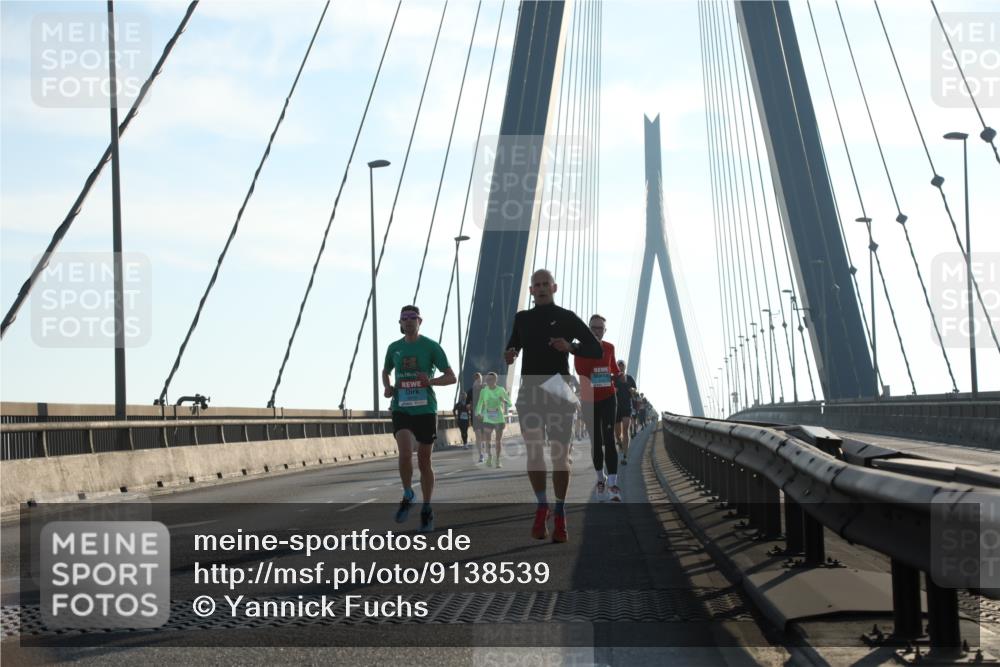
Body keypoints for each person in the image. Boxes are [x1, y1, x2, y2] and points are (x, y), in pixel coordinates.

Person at [504, 269, 601, 542]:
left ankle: (559, 510)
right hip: (530, 390)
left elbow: (595, 349)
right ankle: (541, 504)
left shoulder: (567, 317)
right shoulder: (521, 319)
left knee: (560, 457)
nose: (542, 288)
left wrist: (570, 347)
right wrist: (509, 355)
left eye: (546, 283)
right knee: (534, 451)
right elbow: (512, 348)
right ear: (532, 290)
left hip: (559, 389)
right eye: (537, 285)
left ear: (554, 287)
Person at [382, 305, 456, 533]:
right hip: (401, 408)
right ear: (400, 323)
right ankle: (407, 493)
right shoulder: (394, 348)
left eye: (413, 318)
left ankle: (427, 507)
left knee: (424, 461)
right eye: (404, 318)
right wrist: (387, 387)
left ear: (420, 321)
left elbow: (451, 377)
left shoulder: (432, 347)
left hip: (425, 409)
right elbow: (385, 371)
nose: (409, 321)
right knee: (405, 453)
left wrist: (430, 382)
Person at [574, 315, 621, 502]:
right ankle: (600, 479)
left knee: (609, 440)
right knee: (596, 441)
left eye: (600, 328)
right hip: (589, 400)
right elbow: (581, 371)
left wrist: (620, 375)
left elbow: (614, 368)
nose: (597, 331)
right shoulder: (580, 348)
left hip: (609, 398)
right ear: (588, 328)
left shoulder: (609, 347)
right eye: (593, 327)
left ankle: (613, 485)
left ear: (605, 330)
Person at [476, 371, 510, 467]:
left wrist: (504, 400)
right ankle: (490, 457)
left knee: (498, 441)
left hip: (499, 418)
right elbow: (480, 403)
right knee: (488, 441)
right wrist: (478, 412)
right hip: (488, 419)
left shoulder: (501, 390)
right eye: (487, 379)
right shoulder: (484, 391)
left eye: (490, 379)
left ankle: (498, 460)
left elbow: (510, 403)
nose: (488, 381)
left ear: (495, 380)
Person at [613, 360, 637, 465]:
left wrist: (632, 390)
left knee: (626, 429)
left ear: (625, 367)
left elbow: (635, 392)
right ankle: (619, 442)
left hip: (627, 406)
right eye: (619, 366)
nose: (621, 367)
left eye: (622, 366)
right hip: (616, 407)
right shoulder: (613, 378)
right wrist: (613, 390)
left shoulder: (629, 378)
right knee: (617, 433)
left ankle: (625, 456)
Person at [469, 372, 486, 463]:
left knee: (483, 436)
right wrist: (469, 406)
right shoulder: (470, 391)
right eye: (476, 378)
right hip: (475, 416)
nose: (477, 380)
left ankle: (483, 445)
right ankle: (481, 455)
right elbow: (468, 404)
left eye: (478, 378)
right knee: (478, 435)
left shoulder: (485, 388)